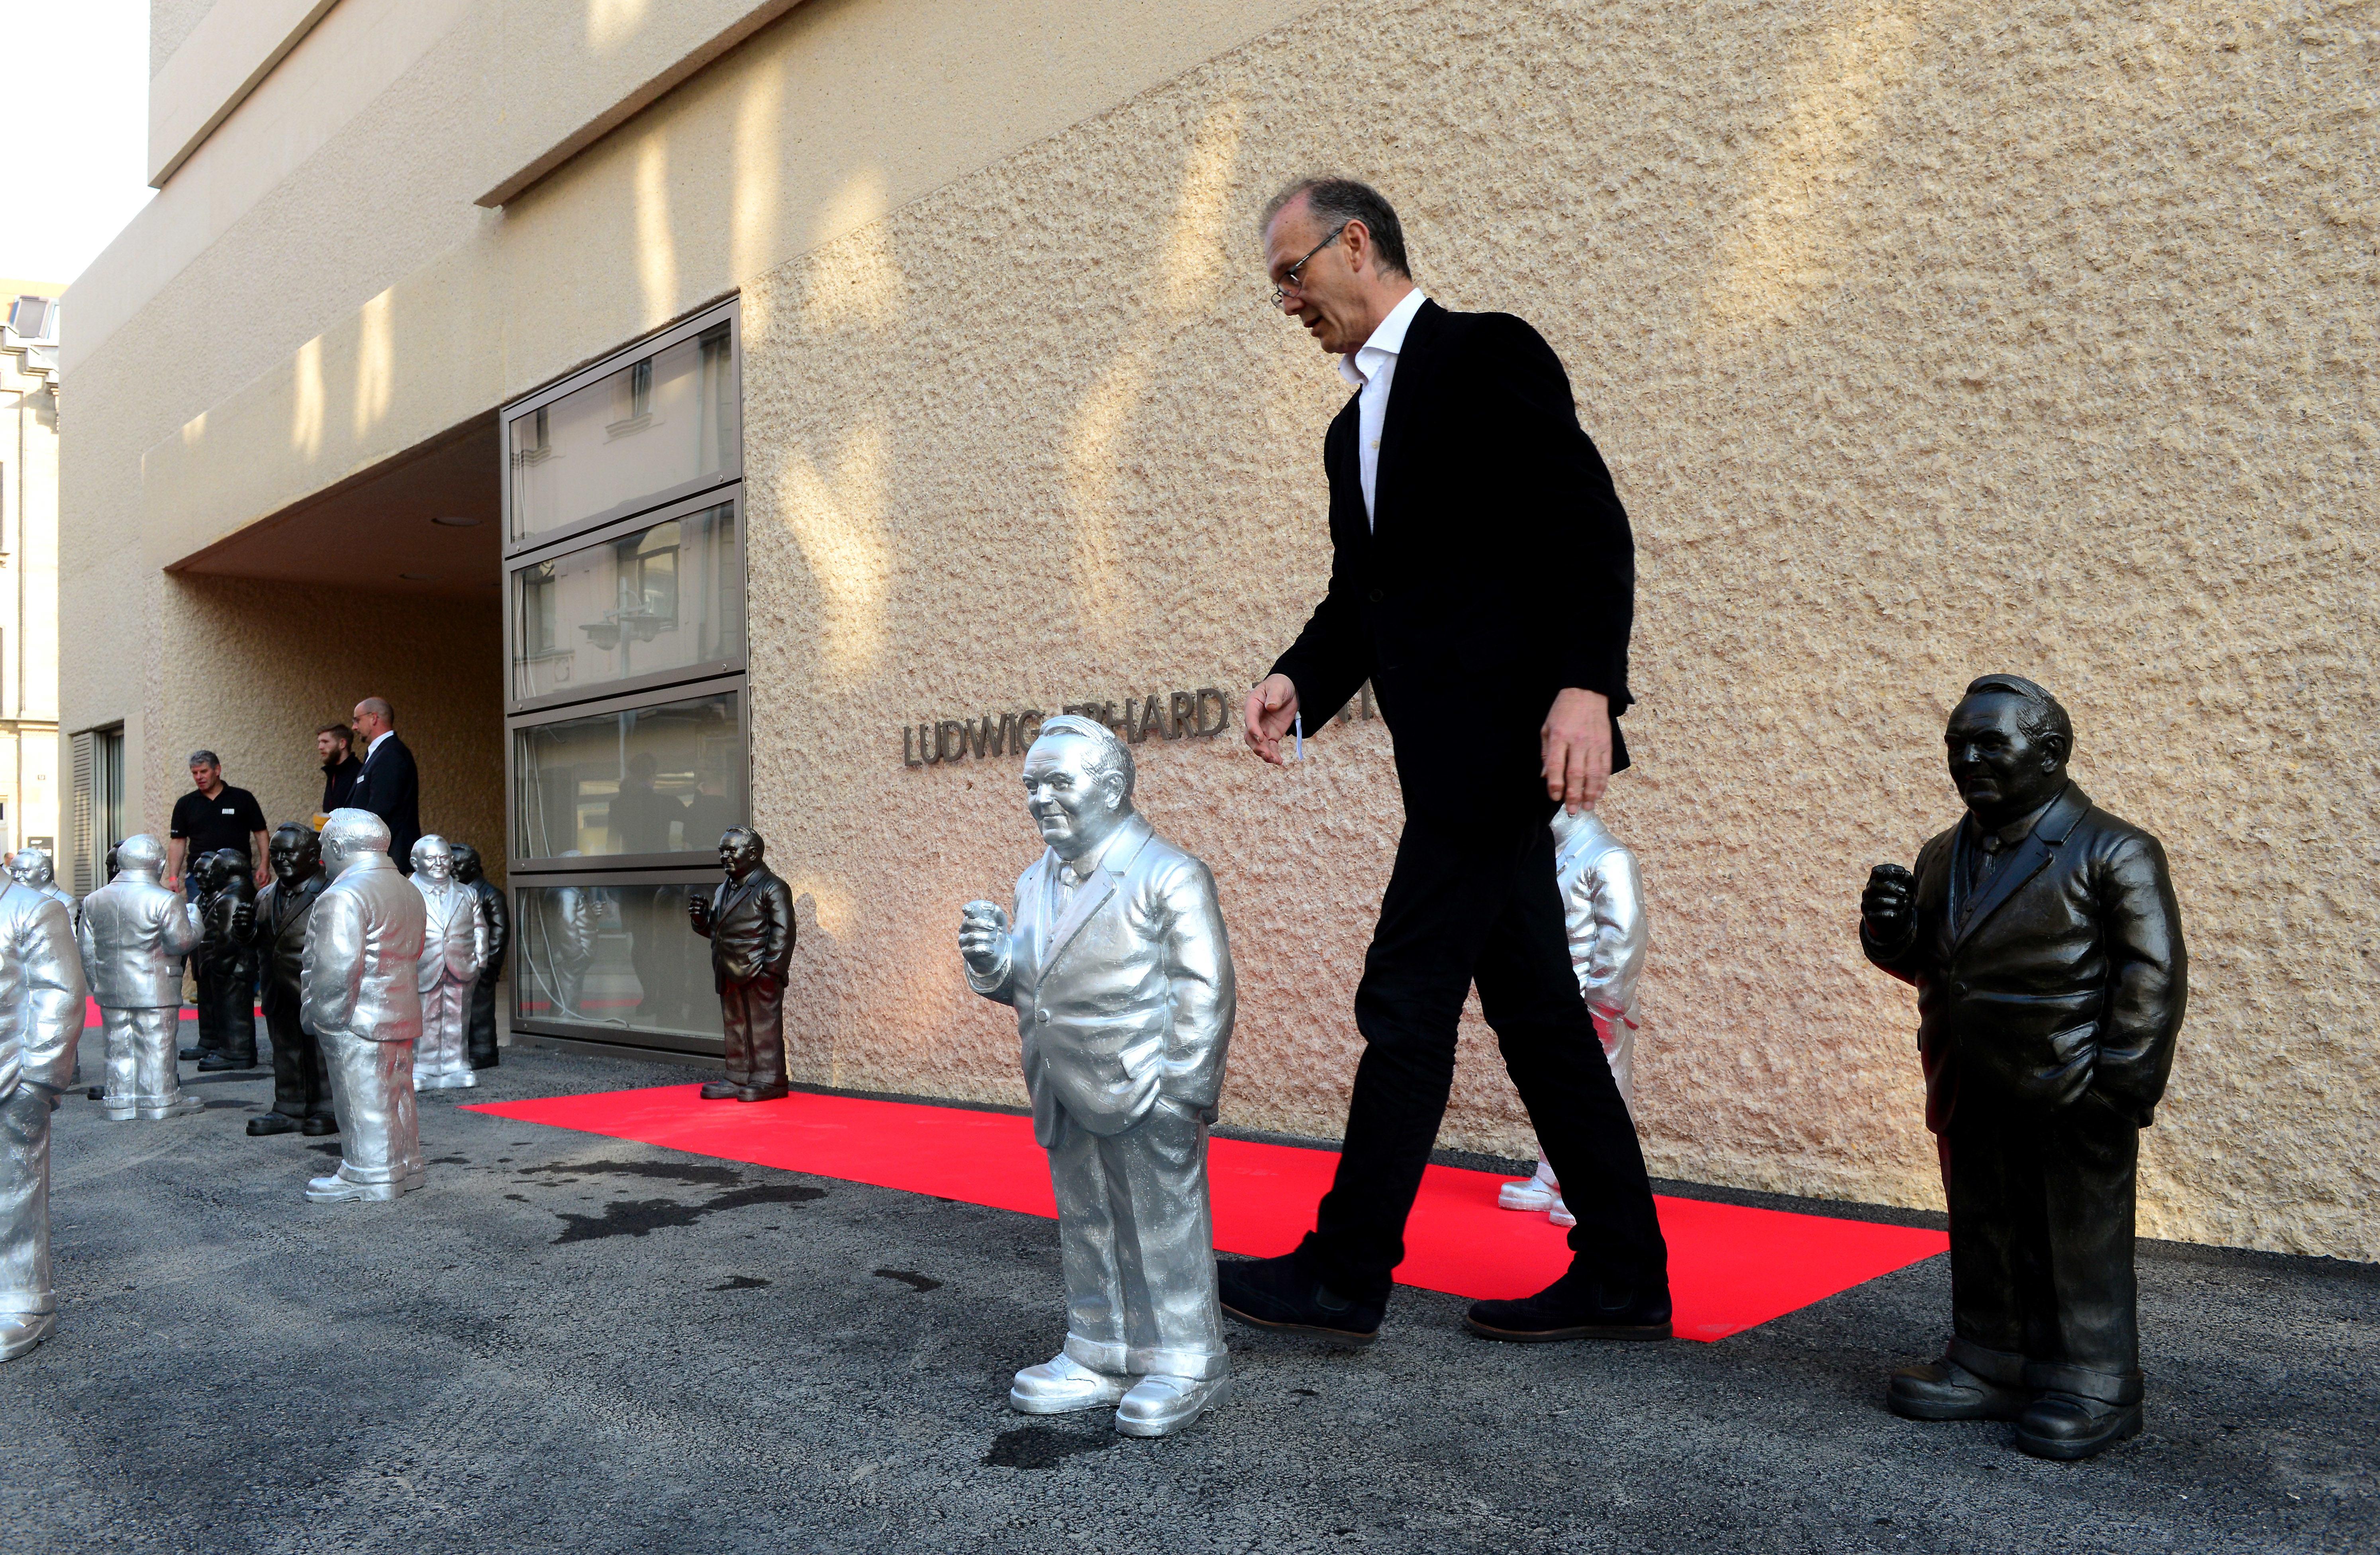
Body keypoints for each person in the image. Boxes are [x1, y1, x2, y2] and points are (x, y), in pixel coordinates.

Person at [1225, 177, 1668, 1345]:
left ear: (1354, 242)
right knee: (1536, 1016)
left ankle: (1344, 1269)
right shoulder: (1345, 433)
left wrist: (1585, 684)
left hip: (1496, 754)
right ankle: (1624, 1272)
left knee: (1405, 993)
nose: (1282, 300)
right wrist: (1297, 680)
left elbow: (1586, 521)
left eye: (1289, 272)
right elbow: (1361, 605)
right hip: (1445, 764)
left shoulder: (1483, 355)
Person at [1862, 675, 2186, 1461]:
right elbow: (1942, 967)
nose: (1965, 759)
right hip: (1967, 1082)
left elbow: (2151, 974)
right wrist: (1890, 936)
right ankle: (1987, 1361)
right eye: (1954, 746)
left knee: (2076, 1241)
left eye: (1986, 744)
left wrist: (2116, 1089)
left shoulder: (2115, 850)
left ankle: (2093, 1385)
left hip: (2073, 1090)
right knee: (1984, 1228)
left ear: (2048, 754)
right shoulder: (1942, 851)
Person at [960, 716, 1236, 1436]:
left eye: (1057, 781)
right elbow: (1033, 982)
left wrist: (1182, 1090)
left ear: (1110, 787)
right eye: (1030, 784)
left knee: (1159, 1223)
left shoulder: (1167, 873)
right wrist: (993, 962)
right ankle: (1098, 1349)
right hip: (1061, 1084)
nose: (1039, 798)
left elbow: (1204, 989)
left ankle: (1183, 1358)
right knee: (1085, 1222)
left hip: (1146, 1087)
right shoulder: (1032, 879)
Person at [1497, 805, 1648, 1228]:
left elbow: (1623, 933)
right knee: (1556, 1092)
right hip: (1556, 1001)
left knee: (1606, 1092)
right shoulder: (1547, 852)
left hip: (1597, 1005)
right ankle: (1552, 1176)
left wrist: (1603, 1005)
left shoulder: (1609, 856)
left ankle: (1606, 1188)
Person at [301, 809, 427, 1203]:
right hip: (401, 1009)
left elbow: (335, 971)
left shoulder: (344, 894)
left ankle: (369, 1173)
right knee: (399, 1093)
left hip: (356, 1017)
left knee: (364, 1098)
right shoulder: (408, 890)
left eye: (325, 848)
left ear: (338, 847)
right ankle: (406, 1163)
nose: (323, 857)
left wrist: (323, 1019)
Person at [0, 862, 84, 1362]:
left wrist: (40, 1080)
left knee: (15, 1193)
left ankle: (26, 1302)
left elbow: (62, 994)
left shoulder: (32, 909)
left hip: (11, 1078)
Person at [78, 835, 206, 1122]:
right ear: (160, 864)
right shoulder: (166, 900)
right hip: (155, 988)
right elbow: (179, 943)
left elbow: (87, 949)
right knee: (156, 1045)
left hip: (111, 988)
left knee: (118, 1045)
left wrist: (98, 983)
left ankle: (120, 1099)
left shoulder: (94, 900)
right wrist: (195, 920)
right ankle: (159, 1099)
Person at [686, 828, 794, 1102]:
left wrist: (772, 972)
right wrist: (701, 920)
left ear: (754, 853)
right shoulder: (724, 888)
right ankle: (738, 1075)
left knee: (763, 1028)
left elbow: (783, 932)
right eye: (722, 851)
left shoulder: (773, 887)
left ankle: (770, 1079)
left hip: (759, 972)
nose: (724, 856)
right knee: (735, 1026)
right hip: (728, 970)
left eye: (731, 850)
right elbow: (718, 931)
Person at [247, 825, 335, 1137]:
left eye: (289, 852)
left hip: (315, 988)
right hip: (277, 988)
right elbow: (259, 943)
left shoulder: (331, 892)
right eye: (276, 853)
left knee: (319, 1052)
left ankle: (328, 1107)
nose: (280, 859)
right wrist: (246, 932)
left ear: (314, 856)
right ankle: (289, 1106)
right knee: (285, 1048)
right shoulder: (265, 895)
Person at [409, 836, 487, 1091]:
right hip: (422, 966)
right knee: (426, 1017)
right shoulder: (406, 893)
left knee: (458, 1017)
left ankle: (457, 1064)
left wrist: (480, 961)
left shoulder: (468, 893)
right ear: (415, 862)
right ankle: (423, 1067)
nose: (439, 864)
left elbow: (480, 928)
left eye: (444, 858)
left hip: (462, 966)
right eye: (431, 859)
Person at [165, 751, 270, 889]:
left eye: (204, 771)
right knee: (199, 912)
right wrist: (173, 877)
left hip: (237, 875)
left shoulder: (242, 798)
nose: (199, 777)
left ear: (217, 770)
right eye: (195, 773)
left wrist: (264, 865)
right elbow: (178, 841)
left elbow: (261, 833)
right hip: (200, 877)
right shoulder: (185, 804)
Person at [449, 844, 508, 1069]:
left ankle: (485, 1052)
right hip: (461, 965)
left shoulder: (491, 894)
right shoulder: (457, 892)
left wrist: (488, 966)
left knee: (481, 1011)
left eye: (458, 865)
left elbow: (499, 932)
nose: (451, 869)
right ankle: (466, 1049)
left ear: (473, 867)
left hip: (481, 967)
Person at [345, 698, 421, 872]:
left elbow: (380, 812)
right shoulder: (380, 753)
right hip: (379, 859)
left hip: (388, 860)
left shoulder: (391, 755)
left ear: (374, 718)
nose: (354, 727)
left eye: (357, 720)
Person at [318, 725, 363, 815]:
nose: (320, 747)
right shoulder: (333, 773)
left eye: (325, 742)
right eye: (319, 742)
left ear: (342, 744)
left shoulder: (359, 774)